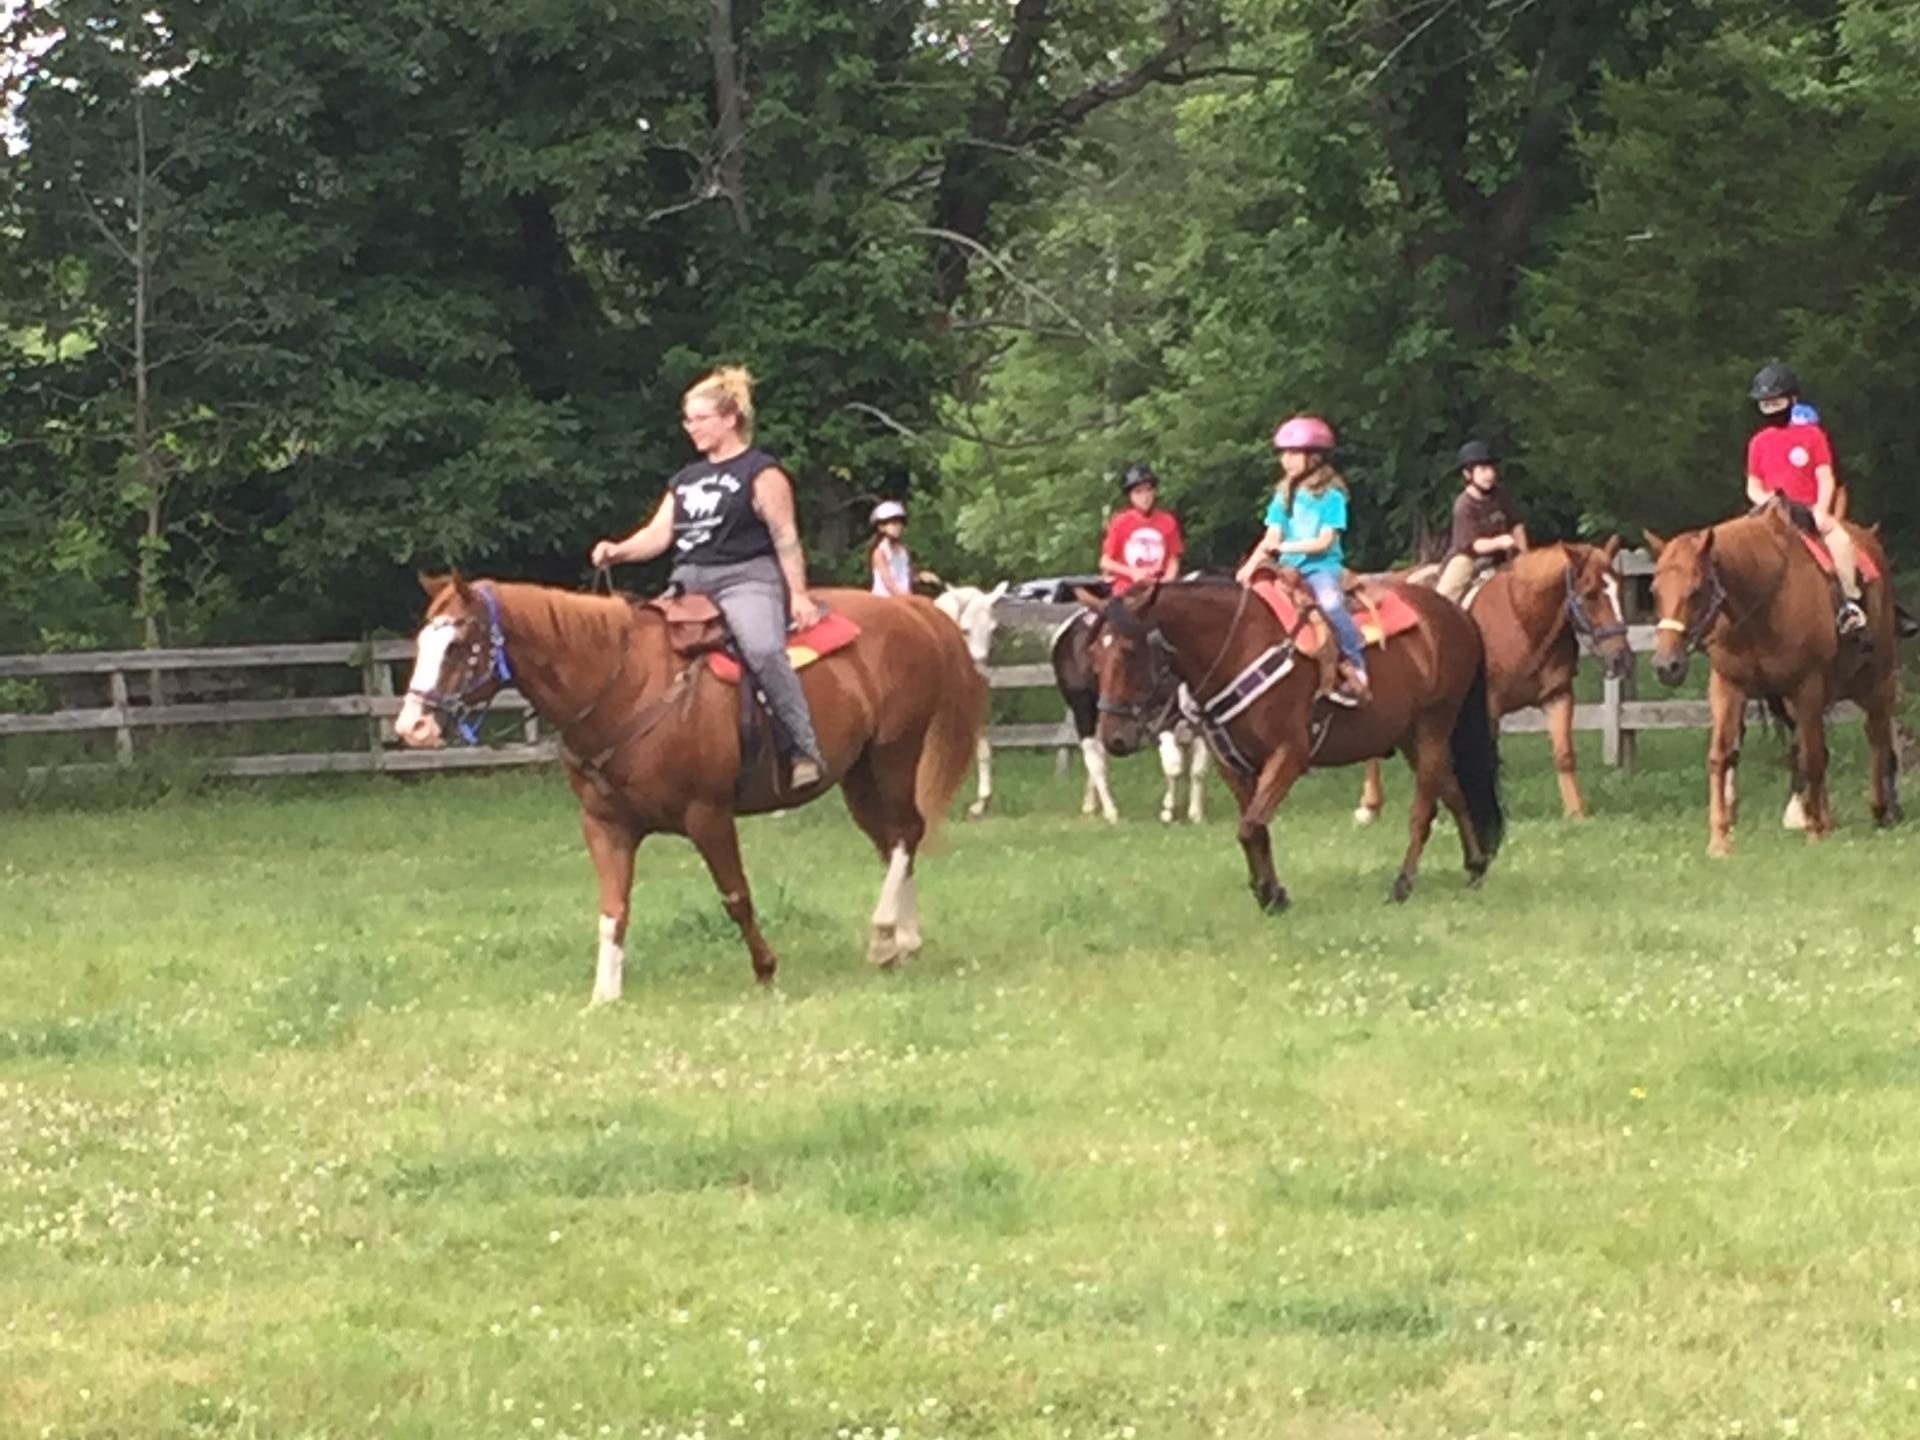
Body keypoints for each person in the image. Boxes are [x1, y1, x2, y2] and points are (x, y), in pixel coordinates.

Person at [590, 365, 826, 787]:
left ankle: (801, 748)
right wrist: (619, 549)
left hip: (745, 577)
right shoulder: (685, 479)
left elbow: (785, 537)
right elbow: (659, 535)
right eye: (688, 419)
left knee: (763, 649)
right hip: (688, 581)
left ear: (730, 418)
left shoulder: (761, 471)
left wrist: (799, 595)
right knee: (639, 647)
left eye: (699, 419)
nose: (690, 428)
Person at [1235, 415, 1369, 706]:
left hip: (1321, 567)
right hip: (1287, 568)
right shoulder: (1283, 495)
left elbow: (1324, 541)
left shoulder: (1331, 496)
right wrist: (1248, 568)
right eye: (1284, 453)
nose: (1287, 460)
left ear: (1316, 457)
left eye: (1295, 453)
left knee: (1332, 604)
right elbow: (1270, 537)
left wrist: (1286, 545)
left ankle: (1356, 663)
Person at [1744, 361, 1865, 636]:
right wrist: (1768, 502)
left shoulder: (1812, 436)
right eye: (1766, 405)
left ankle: (1850, 601)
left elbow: (1825, 477)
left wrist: (1821, 510)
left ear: (1792, 400)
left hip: (1808, 509)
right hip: (1771, 511)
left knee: (1841, 539)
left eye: (1777, 403)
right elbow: (1753, 485)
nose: (1772, 409)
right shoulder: (1758, 442)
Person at [1434, 439, 1528, 604]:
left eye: (1492, 468)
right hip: (1469, 557)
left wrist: (1525, 554)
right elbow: (1475, 545)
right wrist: (1499, 542)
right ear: (1468, 474)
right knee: (1444, 597)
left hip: (1502, 555)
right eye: (1483, 469)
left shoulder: (1501, 496)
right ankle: (1440, 614)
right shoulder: (1464, 505)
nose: (1491, 474)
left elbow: (1517, 525)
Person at [1099, 461, 1185, 595]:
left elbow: (1173, 558)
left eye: (1148, 490)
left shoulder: (1167, 521)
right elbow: (1106, 561)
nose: (1144, 497)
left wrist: (1169, 578)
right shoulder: (1120, 522)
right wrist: (1132, 572)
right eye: (1138, 492)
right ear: (1130, 496)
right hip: (1128, 588)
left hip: (1159, 587)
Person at [868, 500, 916, 596]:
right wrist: (905, 597)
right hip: (884, 599)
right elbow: (889, 583)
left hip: (904, 598)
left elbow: (907, 576)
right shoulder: (880, 553)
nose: (898, 527)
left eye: (900, 523)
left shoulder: (904, 551)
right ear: (881, 527)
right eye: (893, 524)